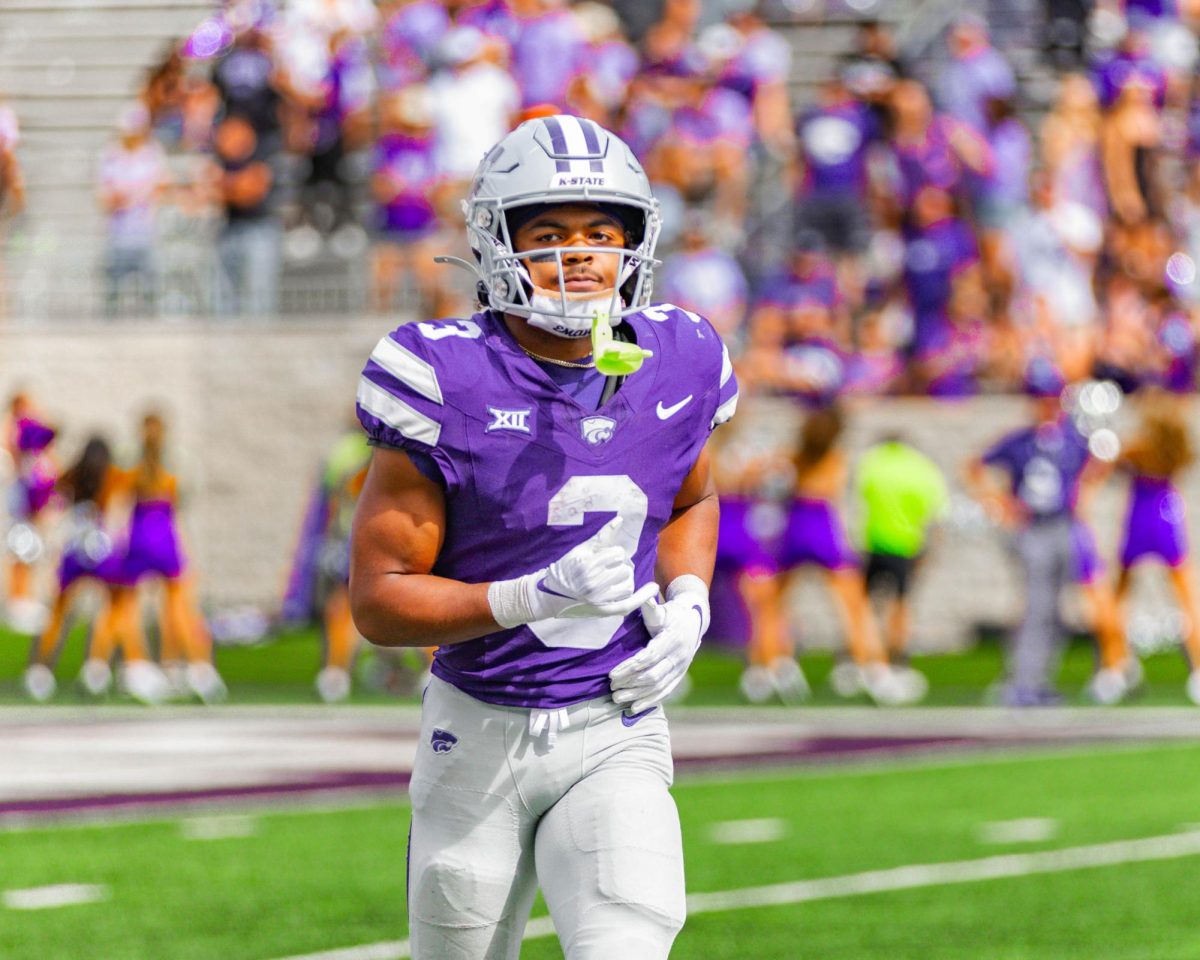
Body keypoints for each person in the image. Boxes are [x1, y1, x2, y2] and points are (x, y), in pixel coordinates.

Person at [350, 114, 736, 959]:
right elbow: (379, 601)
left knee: (625, 939)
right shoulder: (441, 373)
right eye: (551, 233)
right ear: (497, 244)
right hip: (476, 728)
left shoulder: (681, 355)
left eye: (602, 232)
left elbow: (693, 499)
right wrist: (529, 597)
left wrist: (692, 603)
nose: (582, 254)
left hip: (616, 722)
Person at [964, 359, 1093, 705]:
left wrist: (1082, 499)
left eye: (1050, 397)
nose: (1045, 404)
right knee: (1035, 607)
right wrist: (1001, 503)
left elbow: (1096, 468)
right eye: (1039, 397)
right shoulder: (1020, 440)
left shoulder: (1072, 438)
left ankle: (1041, 680)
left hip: (1063, 524)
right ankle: (1021, 681)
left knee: (1056, 610)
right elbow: (975, 467)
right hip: (1033, 527)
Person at [777, 404, 924, 703]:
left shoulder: (794, 456)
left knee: (776, 602)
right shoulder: (834, 459)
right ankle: (877, 671)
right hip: (822, 527)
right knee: (855, 607)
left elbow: (781, 484)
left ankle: (777, 665)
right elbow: (835, 490)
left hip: (795, 523)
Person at [23, 437, 172, 704]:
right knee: (117, 605)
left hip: (75, 546)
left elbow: (52, 498)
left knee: (59, 610)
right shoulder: (112, 476)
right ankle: (98, 665)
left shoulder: (73, 474)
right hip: (101, 546)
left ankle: (40, 669)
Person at [1112, 391, 1200, 705]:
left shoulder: (1141, 449)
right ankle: (1197, 670)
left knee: (1119, 595)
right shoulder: (1177, 445)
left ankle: (1115, 666)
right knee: (1187, 596)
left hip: (1143, 514)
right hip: (1168, 513)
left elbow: (1113, 460)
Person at [854, 433, 948, 667]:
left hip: (874, 541)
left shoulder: (872, 462)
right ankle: (897, 655)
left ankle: (868, 653)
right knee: (901, 602)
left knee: (863, 602)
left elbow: (859, 498)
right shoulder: (922, 468)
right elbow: (936, 513)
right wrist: (931, 551)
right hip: (907, 543)